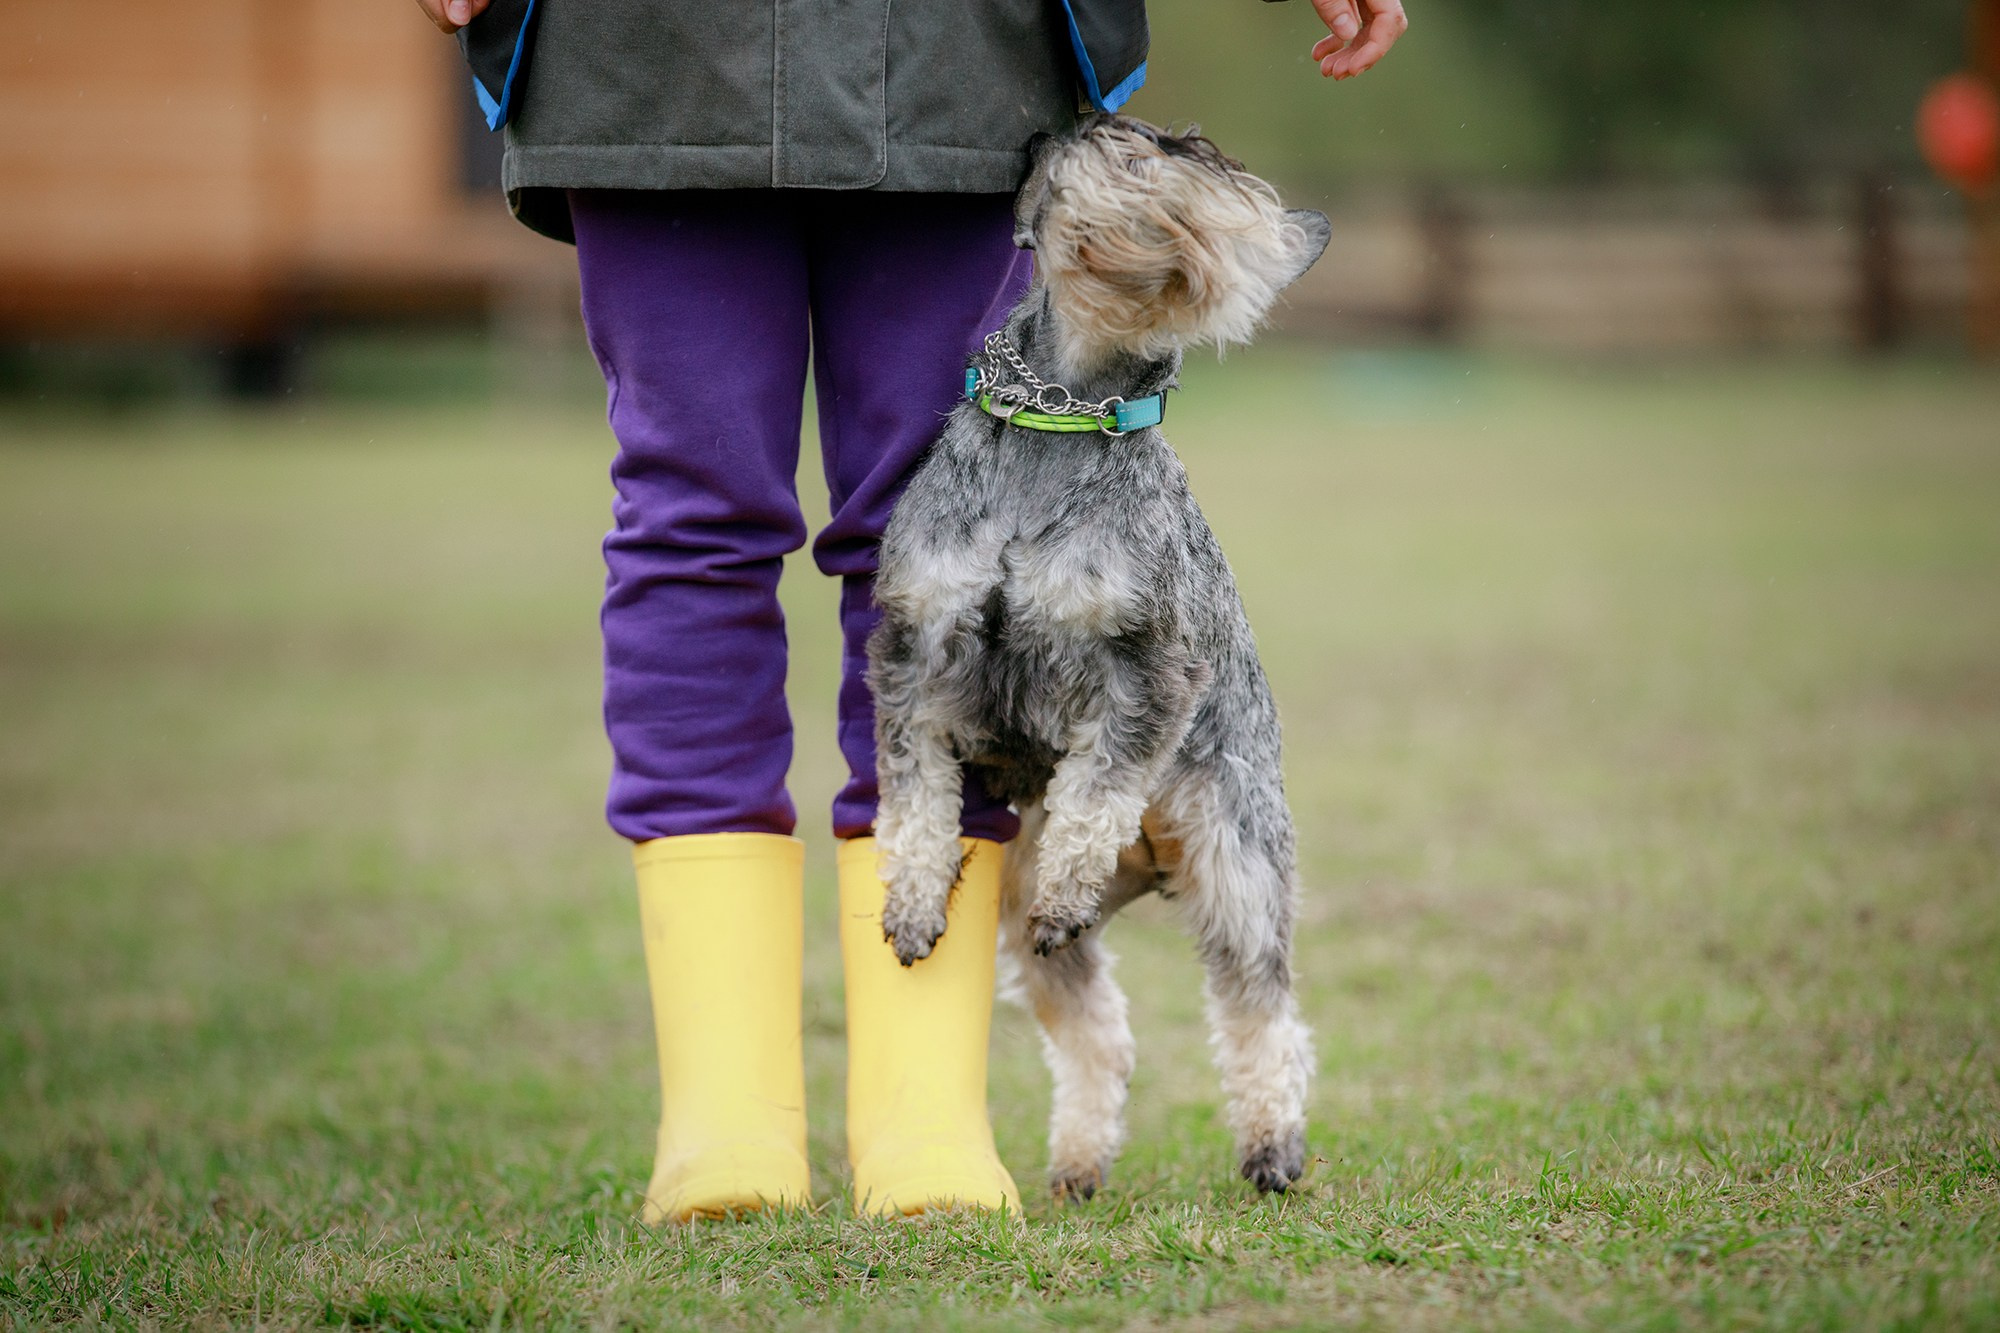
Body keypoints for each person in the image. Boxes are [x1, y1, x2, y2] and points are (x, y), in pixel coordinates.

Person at [410, 0, 1407, 1221]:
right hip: (645, 58)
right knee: (690, 525)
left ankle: (920, 1104)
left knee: (946, 530)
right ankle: (723, 1112)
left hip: (950, 54)